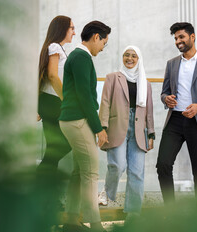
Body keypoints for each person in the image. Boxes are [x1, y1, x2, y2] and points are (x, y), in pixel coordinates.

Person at [156, 22, 197, 230]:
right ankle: (170, 212)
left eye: (181, 37)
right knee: (163, 165)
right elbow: (164, 92)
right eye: (176, 38)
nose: (178, 41)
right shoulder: (172, 64)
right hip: (175, 121)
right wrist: (166, 98)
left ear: (192, 37)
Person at [59, 20, 111, 232]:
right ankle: (96, 225)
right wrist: (99, 128)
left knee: (79, 172)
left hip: (72, 120)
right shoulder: (81, 57)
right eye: (103, 43)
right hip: (77, 120)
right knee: (90, 173)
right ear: (96, 37)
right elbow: (85, 96)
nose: (103, 48)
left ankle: (71, 221)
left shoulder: (80, 56)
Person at [98, 45, 155, 219]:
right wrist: (102, 128)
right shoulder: (112, 78)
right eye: (126, 55)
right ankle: (106, 193)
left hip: (138, 130)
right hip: (117, 127)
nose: (129, 59)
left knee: (137, 172)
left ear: (139, 60)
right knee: (117, 165)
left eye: (133, 56)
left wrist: (151, 134)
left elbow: (149, 110)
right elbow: (105, 103)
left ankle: (133, 212)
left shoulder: (146, 83)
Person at [37, 15, 75, 174]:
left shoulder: (55, 47)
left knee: (53, 149)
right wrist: (65, 100)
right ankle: (39, 184)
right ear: (62, 29)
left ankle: (45, 194)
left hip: (49, 101)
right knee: (63, 145)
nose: (74, 32)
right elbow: (52, 75)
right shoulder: (55, 47)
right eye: (72, 28)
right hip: (53, 102)